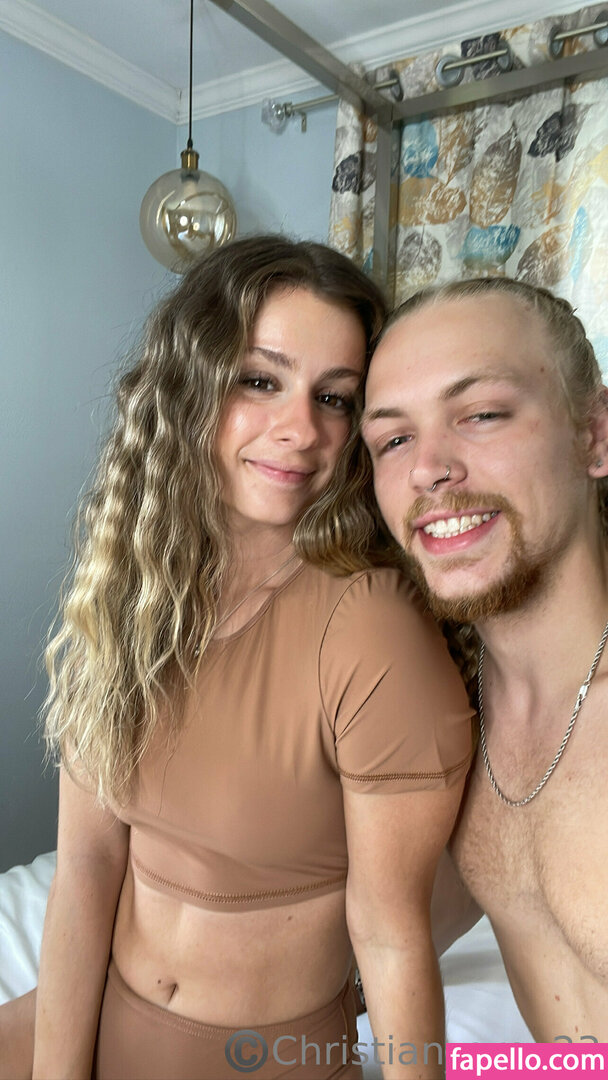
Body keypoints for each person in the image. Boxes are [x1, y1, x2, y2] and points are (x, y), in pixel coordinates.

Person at [1, 235, 473, 1080]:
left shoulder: (367, 625)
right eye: (261, 380)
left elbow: (391, 938)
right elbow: (88, 868)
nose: (301, 430)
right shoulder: (133, 587)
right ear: (191, 386)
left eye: (335, 398)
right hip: (100, 1012)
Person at [361, 275, 608, 1043]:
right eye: (394, 439)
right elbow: (387, 939)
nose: (429, 468)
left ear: (595, 436)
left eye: (481, 415)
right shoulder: (455, 717)